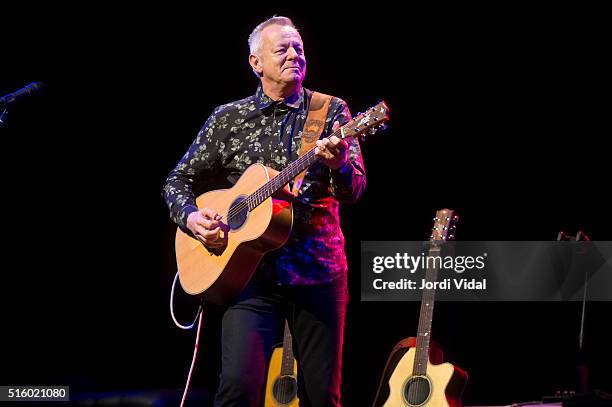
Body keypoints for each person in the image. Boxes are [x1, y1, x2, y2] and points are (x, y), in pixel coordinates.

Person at [163, 16, 366, 407]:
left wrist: (340, 165)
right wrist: (191, 217)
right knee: (238, 388)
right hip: (247, 276)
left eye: (299, 49)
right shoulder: (228, 118)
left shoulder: (330, 111)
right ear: (256, 63)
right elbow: (177, 180)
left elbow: (355, 189)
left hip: (317, 274)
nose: (294, 55)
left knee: (322, 396)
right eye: (282, 49)